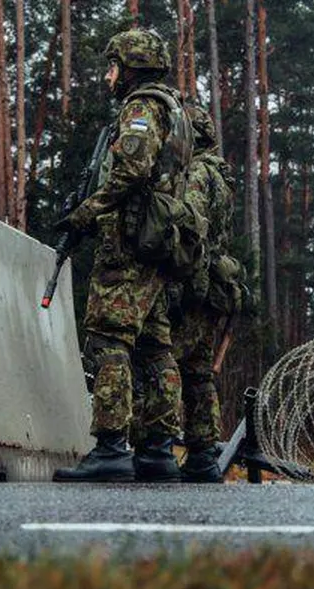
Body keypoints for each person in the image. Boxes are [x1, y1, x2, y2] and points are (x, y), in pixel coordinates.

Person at [51, 28, 193, 483]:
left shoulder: (141, 108)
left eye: (113, 67)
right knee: (154, 347)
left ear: (132, 67)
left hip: (129, 245)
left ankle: (111, 448)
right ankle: (158, 451)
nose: (108, 76)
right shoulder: (175, 110)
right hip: (155, 243)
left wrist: (84, 213)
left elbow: (130, 170)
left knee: (108, 339)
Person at [171, 105, 237, 483]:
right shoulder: (221, 176)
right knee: (198, 372)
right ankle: (203, 453)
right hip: (212, 285)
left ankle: (158, 445)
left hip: (193, 283)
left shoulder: (197, 173)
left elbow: (189, 225)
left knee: (166, 361)